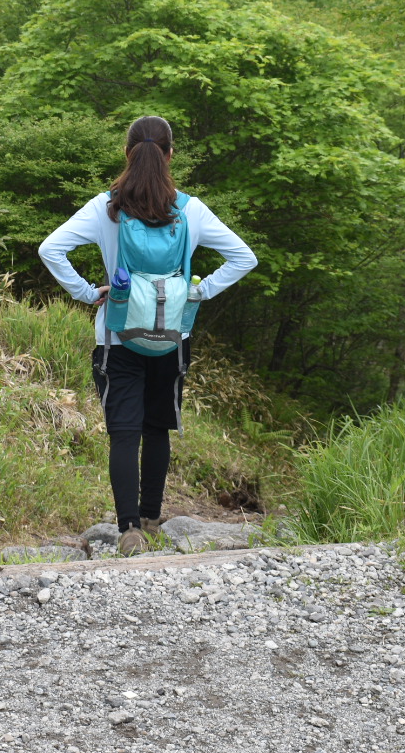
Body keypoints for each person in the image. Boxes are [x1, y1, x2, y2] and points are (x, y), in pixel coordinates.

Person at [38, 115, 257, 556]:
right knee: (157, 429)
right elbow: (243, 257)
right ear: (170, 154)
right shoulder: (190, 210)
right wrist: (198, 292)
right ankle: (154, 520)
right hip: (172, 333)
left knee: (125, 433)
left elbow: (50, 249)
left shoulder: (107, 207)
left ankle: (128, 530)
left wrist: (86, 293)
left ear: (127, 152)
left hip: (118, 335)